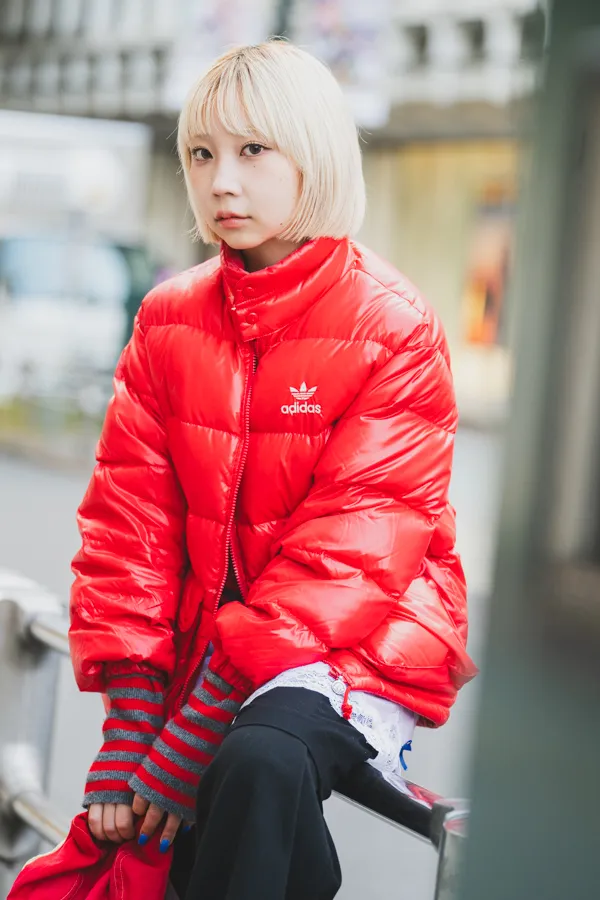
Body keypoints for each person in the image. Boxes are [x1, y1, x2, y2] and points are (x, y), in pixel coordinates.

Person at [69, 40, 477, 900]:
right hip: (210, 642)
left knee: (255, 759)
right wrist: (134, 721)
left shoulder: (394, 326)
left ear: (313, 155)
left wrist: (194, 731)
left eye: (253, 150)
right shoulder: (168, 318)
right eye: (201, 153)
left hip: (352, 643)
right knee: (204, 820)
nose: (221, 182)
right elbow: (127, 530)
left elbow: (347, 561)